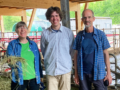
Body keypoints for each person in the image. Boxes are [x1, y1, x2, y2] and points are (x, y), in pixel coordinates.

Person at [73, 9, 112, 90]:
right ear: (82, 19)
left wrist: (108, 73)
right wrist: (76, 74)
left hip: (99, 73)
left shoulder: (101, 35)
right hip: (83, 73)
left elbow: (106, 54)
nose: (87, 20)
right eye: (85, 17)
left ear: (93, 19)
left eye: (89, 17)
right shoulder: (79, 36)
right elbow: (76, 55)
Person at [40, 6, 74, 90]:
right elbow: (44, 50)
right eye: (52, 16)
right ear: (49, 18)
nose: (54, 18)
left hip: (65, 69)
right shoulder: (45, 33)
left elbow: (72, 50)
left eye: (56, 15)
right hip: (51, 70)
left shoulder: (68, 32)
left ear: (60, 17)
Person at [7, 21, 43, 90]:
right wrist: (11, 62)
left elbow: (38, 61)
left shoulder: (33, 44)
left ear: (27, 30)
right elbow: (9, 60)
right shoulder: (12, 44)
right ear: (16, 31)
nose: (22, 30)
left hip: (34, 79)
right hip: (18, 79)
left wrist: (40, 76)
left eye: (24, 27)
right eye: (20, 28)